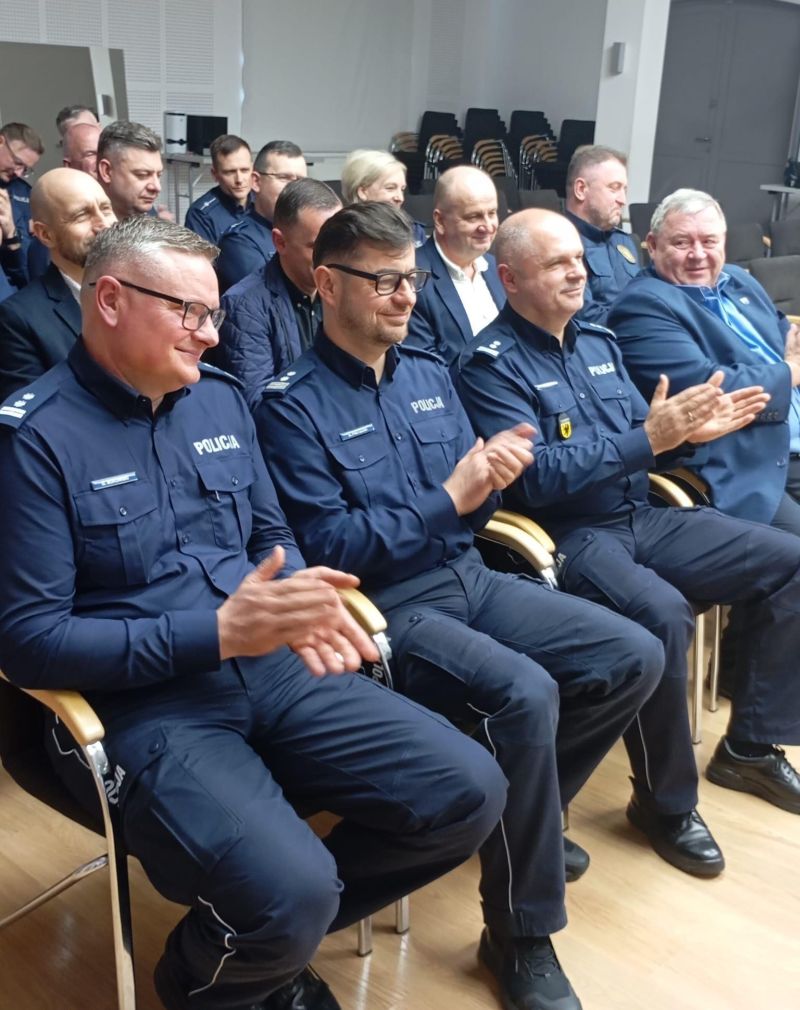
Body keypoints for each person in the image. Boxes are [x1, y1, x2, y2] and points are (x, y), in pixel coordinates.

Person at [0, 214, 506, 1010]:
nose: (210, 335)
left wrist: (302, 594)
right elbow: (29, 643)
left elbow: (272, 535)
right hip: (142, 706)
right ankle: (216, 975)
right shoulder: (34, 439)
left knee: (469, 790)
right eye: (188, 313)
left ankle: (260, 944)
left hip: (272, 664)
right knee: (288, 891)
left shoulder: (220, 401)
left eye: (213, 315)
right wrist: (216, 633)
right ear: (110, 300)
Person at [256, 201, 664, 1010]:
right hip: (385, 608)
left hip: (468, 574)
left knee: (632, 654)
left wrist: (487, 484)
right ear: (328, 285)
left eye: (411, 278)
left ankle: (525, 817)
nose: (406, 296)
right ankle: (520, 934)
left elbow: (473, 504)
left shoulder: (426, 371)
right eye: (383, 281)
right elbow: (332, 547)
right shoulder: (289, 405)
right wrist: (451, 498)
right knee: (525, 694)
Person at [456, 210, 800, 885]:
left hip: (641, 513)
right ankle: (665, 805)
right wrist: (650, 439)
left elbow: (646, 438)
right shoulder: (487, 366)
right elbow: (535, 480)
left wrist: (690, 433)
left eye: (578, 260)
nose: (576, 272)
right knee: (663, 614)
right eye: (557, 264)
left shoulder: (597, 341)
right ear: (510, 278)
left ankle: (750, 745)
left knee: (790, 560)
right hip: (569, 535)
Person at [609, 188, 800, 535]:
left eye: (709, 241)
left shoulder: (738, 279)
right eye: (682, 243)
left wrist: (789, 365)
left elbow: (787, 335)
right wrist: (790, 372)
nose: (698, 255)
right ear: (652, 245)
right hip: (754, 463)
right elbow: (709, 389)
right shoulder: (641, 307)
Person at [216, 179, 340, 408]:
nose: (332, 258)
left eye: (338, 244)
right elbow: (259, 403)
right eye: (317, 247)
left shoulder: (343, 290)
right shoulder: (243, 305)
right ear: (280, 242)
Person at [0, 167, 115, 401]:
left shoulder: (145, 292)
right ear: (45, 235)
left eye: (105, 208)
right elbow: (30, 414)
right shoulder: (19, 319)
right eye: (82, 215)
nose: (103, 224)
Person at [406, 165, 505, 363]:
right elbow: (425, 368)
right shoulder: (412, 278)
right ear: (440, 221)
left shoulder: (498, 268)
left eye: (492, 213)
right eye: (473, 216)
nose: (488, 226)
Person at [216, 140, 307, 293]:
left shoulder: (304, 233)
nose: (295, 189)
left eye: (300, 181)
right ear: (256, 182)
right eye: (284, 178)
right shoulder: (238, 241)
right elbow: (269, 296)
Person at [563, 144, 640, 324]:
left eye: (624, 190)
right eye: (614, 188)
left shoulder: (624, 241)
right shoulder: (560, 243)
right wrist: (641, 324)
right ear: (581, 189)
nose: (623, 200)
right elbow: (583, 316)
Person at [340, 148, 425, 245]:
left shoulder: (414, 232)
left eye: (402, 189)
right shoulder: (343, 235)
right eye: (390, 188)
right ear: (363, 192)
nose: (400, 198)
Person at [0, 122, 45, 300]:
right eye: (17, 163)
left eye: (25, 169)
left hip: (13, 295)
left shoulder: (26, 194)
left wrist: (12, 234)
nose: (18, 173)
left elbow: (26, 268)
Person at [96, 120, 173, 221]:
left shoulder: (151, 216)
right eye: (142, 175)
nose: (157, 187)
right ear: (106, 171)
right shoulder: (83, 228)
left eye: (159, 175)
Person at [184, 134, 253, 244]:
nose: (239, 179)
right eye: (230, 172)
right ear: (214, 174)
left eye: (245, 170)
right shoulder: (201, 215)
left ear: (253, 169)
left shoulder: (264, 202)